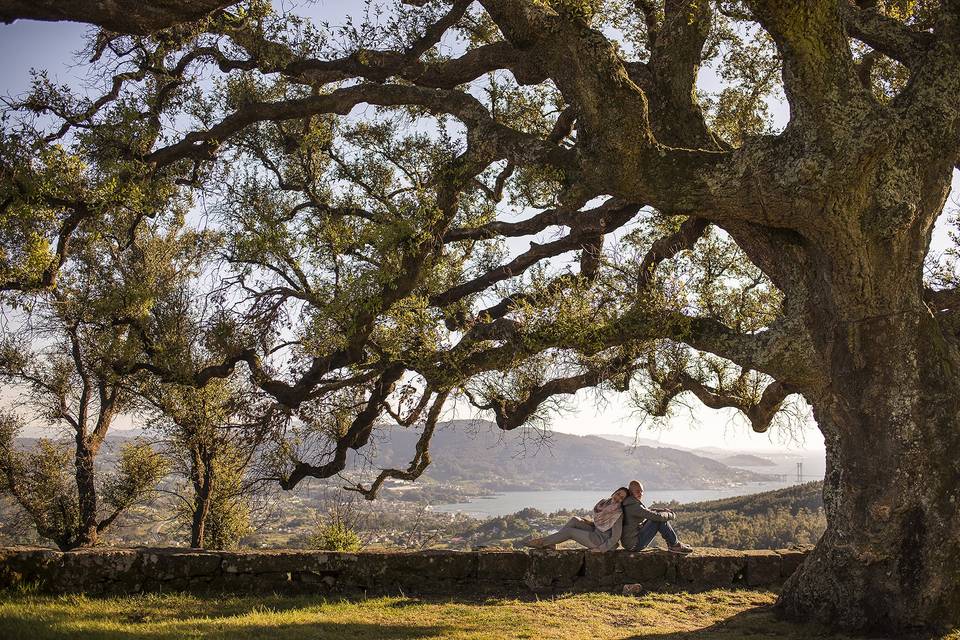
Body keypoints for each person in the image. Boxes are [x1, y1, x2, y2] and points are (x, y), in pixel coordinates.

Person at [525, 487, 629, 552]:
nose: (618, 497)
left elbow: (616, 536)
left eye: (622, 498)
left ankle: (542, 543)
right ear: (615, 492)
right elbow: (603, 524)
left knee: (571, 532)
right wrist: (589, 523)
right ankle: (552, 543)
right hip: (595, 532)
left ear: (623, 501)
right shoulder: (604, 503)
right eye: (619, 493)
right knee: (575, 520)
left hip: (601, 541)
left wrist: (600, 549)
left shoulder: (618, 514)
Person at [620, 480, 693, 553]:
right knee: (657, 520)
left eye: (642, 491)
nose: (641, 494)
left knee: (657, 517)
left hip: (630, 542)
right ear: (630, 492)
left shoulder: (630, 502)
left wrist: (662, 510)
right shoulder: (632, 506)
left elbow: (648, 511)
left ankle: (674, 544)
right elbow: (656, 517)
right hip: (634, 544)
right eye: (637, 491)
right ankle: (674, 545)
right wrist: (671, 515)